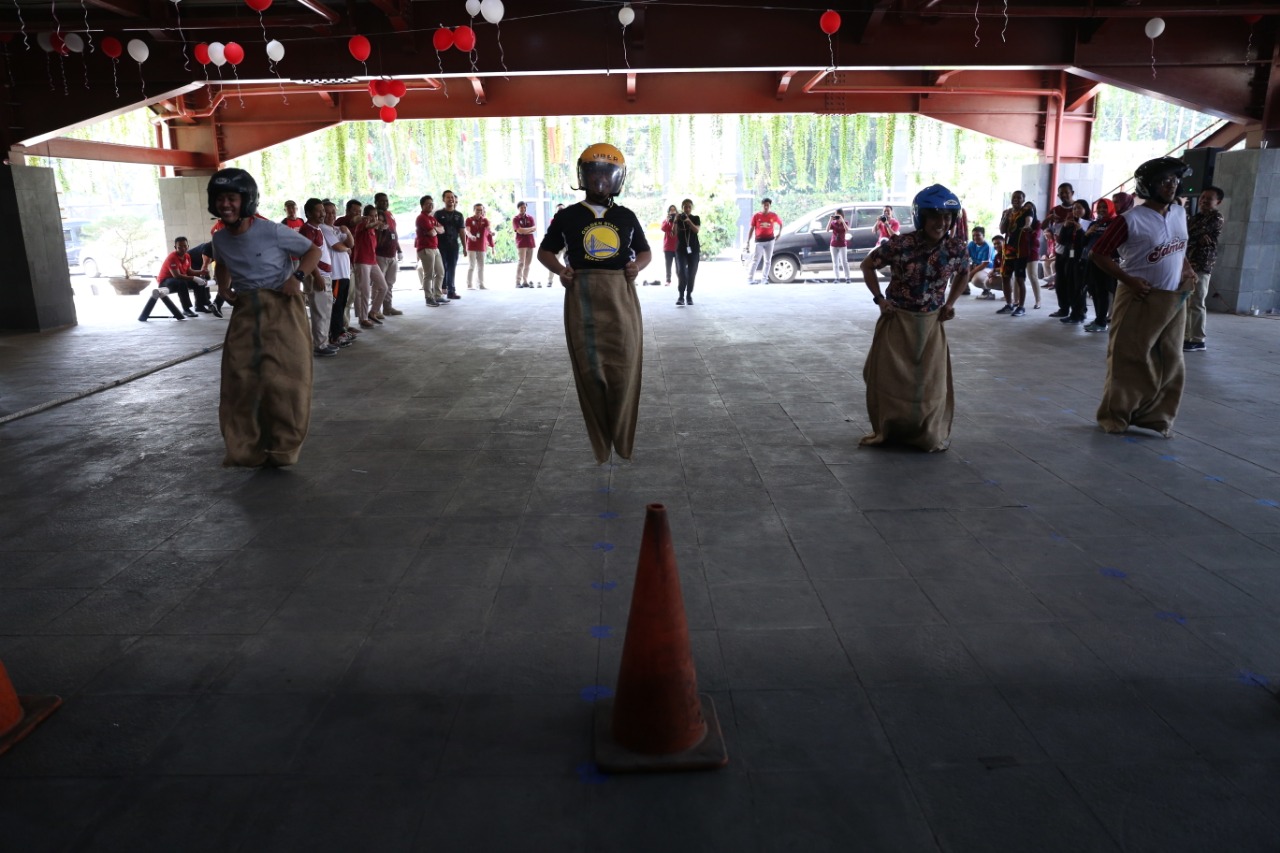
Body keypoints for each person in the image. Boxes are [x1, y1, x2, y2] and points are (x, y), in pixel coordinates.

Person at [537, 142, 651, 464]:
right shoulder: (568, 216)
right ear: (583, 175)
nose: (600, 181)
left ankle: (623, 438)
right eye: (594, 173)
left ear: (618, 179)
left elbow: (644, 251)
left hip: (620, 295)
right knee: (590, 371)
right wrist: (561, 270)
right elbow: (545, 251)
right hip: (582, 294)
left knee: (624, 367)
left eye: (607, 174)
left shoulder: (626, 216)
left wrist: (636, 267)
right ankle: (601, 444)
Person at [208, 168, 321, 468]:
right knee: (240, 380)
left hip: (283, 305)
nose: (226, 205)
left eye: (232, 198)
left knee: (285, 380)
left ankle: (284, 449)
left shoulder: (271, 230)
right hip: (246, 309)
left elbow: (313, 250)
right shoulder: (220, 238)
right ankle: (247, 448)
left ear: (246, 200)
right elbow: (222, 263)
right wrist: (223, 285)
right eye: (220, 199)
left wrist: (296, 277)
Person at [1089, 157, 1197, 438]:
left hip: (1173, 298)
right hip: (1139, 296)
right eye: (1164, 180)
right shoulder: (1130, 220)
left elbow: (1178, 246)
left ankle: (1156, 418)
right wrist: (1128, 280)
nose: (1171, 185)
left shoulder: (1178, 213)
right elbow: (1099, 253)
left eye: (1174, 180)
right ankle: (1115, 416)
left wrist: (1186, 267)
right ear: (1148, 185)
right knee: (1128, 358)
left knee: (1171, 360)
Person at [859, 185, 969, 452]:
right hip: (898, 321)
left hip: (931, 324)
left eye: (947, 218)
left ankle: (927, 434)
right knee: (891, 380)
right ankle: (890, 430)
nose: (941, 223)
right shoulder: (900, 244)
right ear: (922, 217)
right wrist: (879, 299)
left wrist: (950, 303)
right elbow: (867, 265)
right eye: (934, 216)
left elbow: (964, 273)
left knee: (930, 384)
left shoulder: (956, 248)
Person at [1185, 185, 1224, 352]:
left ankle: (1198, 339)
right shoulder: (1196, 218)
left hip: (1202, 265)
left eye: (1209, 198)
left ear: (1218, 202)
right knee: (1187, 301)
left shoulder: (1216, 218)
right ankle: (1187, 336)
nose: (1204, 201)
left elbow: (1190, 233)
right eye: (1202, 197)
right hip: (1188, 264)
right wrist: (1195, 236)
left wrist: (1193, 235)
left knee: (1197, 301)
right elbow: (1185, 235)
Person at [297, 198, 338, 358]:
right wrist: (318, 276)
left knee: (325, 309)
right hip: (318, 277)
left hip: (324, 275)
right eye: (319, 211)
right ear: (308, 213)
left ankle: (323, 342)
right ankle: (320, 345)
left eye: (324, 210)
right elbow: (308, 256)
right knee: (320, 311)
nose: (323, 214)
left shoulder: (317, 228)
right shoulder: (307, 230)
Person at [320, 200, 356, 348]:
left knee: (341, 304)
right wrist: (346, 248)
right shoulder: (323, 228)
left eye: (333, 212)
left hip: (344, 273)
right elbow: (338, 246)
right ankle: (334, 335)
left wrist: (347, 232)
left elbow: (351, 244)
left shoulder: (337, 228)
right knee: (335, 306)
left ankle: (340, 330)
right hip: (334, 274)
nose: (331, 215)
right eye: (327, 212)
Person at [1081, 198, 1118, 333]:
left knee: (1103, 292)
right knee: (1094, 291)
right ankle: (1098, 318)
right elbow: (1083, 243)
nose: (1102, 210)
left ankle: (1102, 321)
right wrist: (1088, 233)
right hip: (1091, 261)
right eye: (1100, 207)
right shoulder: (1095, 224)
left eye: (1105, 207)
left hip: (1106, 262)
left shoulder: (1115, 223)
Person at [1054, 199, 1092, 325]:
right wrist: (1065, 228)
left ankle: (1078, 314)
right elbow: (1062, 241)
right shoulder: (1071, 223)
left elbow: (1086, 243)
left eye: (1079, 208)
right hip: (1069, 258)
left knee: (1078, 287)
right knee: (1069, 285)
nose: (1076, 211)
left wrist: (1081, 230)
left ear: (1086, 209)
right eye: (1074, 208)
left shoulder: (1090, 224)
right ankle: (1074, 312)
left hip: (1081, 260)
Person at [352, 204, 390, 327]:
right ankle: (362, 318)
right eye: (372, 216)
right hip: (362, 261)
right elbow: (369, 225)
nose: (374, 218)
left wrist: (380, 225)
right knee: (365, 291)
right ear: (366, 216)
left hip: (372, 261)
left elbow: (375, 226)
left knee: (383, 287)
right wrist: (377, 223)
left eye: (376, 216)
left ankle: (372, 312)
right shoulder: (361, 225)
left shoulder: (373, 230)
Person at [156, 236, 207, 318]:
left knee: (198, 282)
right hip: (165, 282)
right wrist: (194, 278)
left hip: (178, 279)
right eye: (180, 247)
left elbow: (189, 271)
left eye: (185, 246)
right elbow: (176, 276)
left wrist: (200, 272)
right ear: (175, 247)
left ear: (188, 246)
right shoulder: (172, 258)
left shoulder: (187, 256)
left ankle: (199, 306)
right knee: (181, 283)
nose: (183, 248)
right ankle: (186, 309)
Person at [373, 192, 403, 316]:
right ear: (376, 202)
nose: (384, 203)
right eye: (381, 201)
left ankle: (387, 307)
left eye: (386, 201)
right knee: (378, 285)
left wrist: (399, 249)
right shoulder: (374, 215)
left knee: (389, 283)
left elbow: (394, 233)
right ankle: (375, 310)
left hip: (392, 254)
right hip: (380, 255)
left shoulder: (390, 215)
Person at [415, 194, 447, 307]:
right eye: (428, 204)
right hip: (425, 248)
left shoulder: (431, 218)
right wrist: (435, 229)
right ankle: (428, 298)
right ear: (422, 205)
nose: (430, 205)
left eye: (431, 203)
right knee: (429, 274)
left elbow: (442, 229)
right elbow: (432, 232)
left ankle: (437, 295)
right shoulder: (421, 218)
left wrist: (435, 228)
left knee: (440, 272)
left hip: (435, 248)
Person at [437, 190, 465, 300]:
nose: (451, 199)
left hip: (453, 245)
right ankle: (441, 290)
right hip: (441, 244)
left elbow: (462, 231)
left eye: (452, 197)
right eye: (448, 197)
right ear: (443, 199)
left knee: (452, 268)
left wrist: (465, 247)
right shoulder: (439, 214)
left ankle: (451, 291)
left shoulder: (459, 215)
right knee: (441, 267)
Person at [746, 198, 782, 284]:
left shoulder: (773, 215)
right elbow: (751, 228)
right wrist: (748, 241)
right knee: (755, 260)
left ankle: (764, 279)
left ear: (770, 206)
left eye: (768, 205)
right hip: (759, 241)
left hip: (770, 241)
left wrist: (779, 234)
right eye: (764, 205)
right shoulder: (756, 216)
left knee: (768, 261)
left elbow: (781, 223)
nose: (766, 207)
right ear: (762, 205)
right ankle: (750, 279)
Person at [673, 198, 701, 306]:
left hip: (693, 250)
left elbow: (696, 230)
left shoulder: (695, 218)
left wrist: (688, 221)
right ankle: (681, 296)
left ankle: (689, 295)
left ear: (691, 208)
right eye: (685, 207)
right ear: (682, 208)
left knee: (692, 273)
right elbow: (673, 233)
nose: (687, 209)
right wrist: (675, 220)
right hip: (681, 250)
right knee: (681, 272)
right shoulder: (679, 219)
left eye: (689, 207)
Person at [186, 240, 222, 316]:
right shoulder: (208, 248)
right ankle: (199, 305)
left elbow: (218, 265)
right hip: (190, 261)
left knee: (206, 278)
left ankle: (206, 300)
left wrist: (216, 277)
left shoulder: (220, 250)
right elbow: (204, 267)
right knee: (201, 280)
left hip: (198, 263)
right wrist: (202, 279)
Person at [465, 203, 492, 290]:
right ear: (474, 210)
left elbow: (489, 229)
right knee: (471, 266)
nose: (479, 212)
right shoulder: (469, 219)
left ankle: (481, 284)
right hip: (471, 246)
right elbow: (467, 231)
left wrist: (492, 232)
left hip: (481, 246)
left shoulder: (485, 220)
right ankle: (469, 284)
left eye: (481, 210)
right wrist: (471, 236)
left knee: (481, 266)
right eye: (477, 210)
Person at [512, 201, 537, 288]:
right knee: (521, 262)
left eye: (525, 207)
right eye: (521, 207)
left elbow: (534, 228)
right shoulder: (515, 219)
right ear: (518, 208)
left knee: (528, 264)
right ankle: (517, 282)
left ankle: (525, 281)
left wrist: (525, 230)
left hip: (530, 242)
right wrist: (528, 230)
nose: (523, 209)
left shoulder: (530, 218)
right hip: (521, 243)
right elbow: (519, 230)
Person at [965, 226, 993, 298]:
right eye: (973, 235)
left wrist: (971, 273)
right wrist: (968, 269)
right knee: (959, 270)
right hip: (976, 265)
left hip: (988, 267)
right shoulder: (971, 244)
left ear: (983, 235)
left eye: (978, 235)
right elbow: (966, 258)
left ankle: (987, 290)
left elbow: (984, 264)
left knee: (976, 279)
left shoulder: (987, 246)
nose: (975, 237)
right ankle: (965, 288)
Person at [828, 208, 851, 283]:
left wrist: (842, 220)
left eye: (839, 215)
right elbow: (827, 230)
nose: (837, 217)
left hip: (842, 245)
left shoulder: (845, 222)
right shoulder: (833, 223)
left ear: (842, 215)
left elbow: (847, 230)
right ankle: (837, 278)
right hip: (833, 244)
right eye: (836, 215)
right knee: (835, 262)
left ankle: (848, 278)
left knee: (844, 261)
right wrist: (830, 220)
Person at [660, 204, 678, 286]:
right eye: (671, 210)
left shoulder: (678, 220)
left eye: (674, 210)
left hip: (678, 246)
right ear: (668, 212)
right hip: (668, 246)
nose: (672, 211)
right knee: (668, 265)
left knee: (679, 265)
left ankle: (681, 280)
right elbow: (663, 228)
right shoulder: (666, 220)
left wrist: (677, 219)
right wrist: (667, 220)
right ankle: (668, 280)